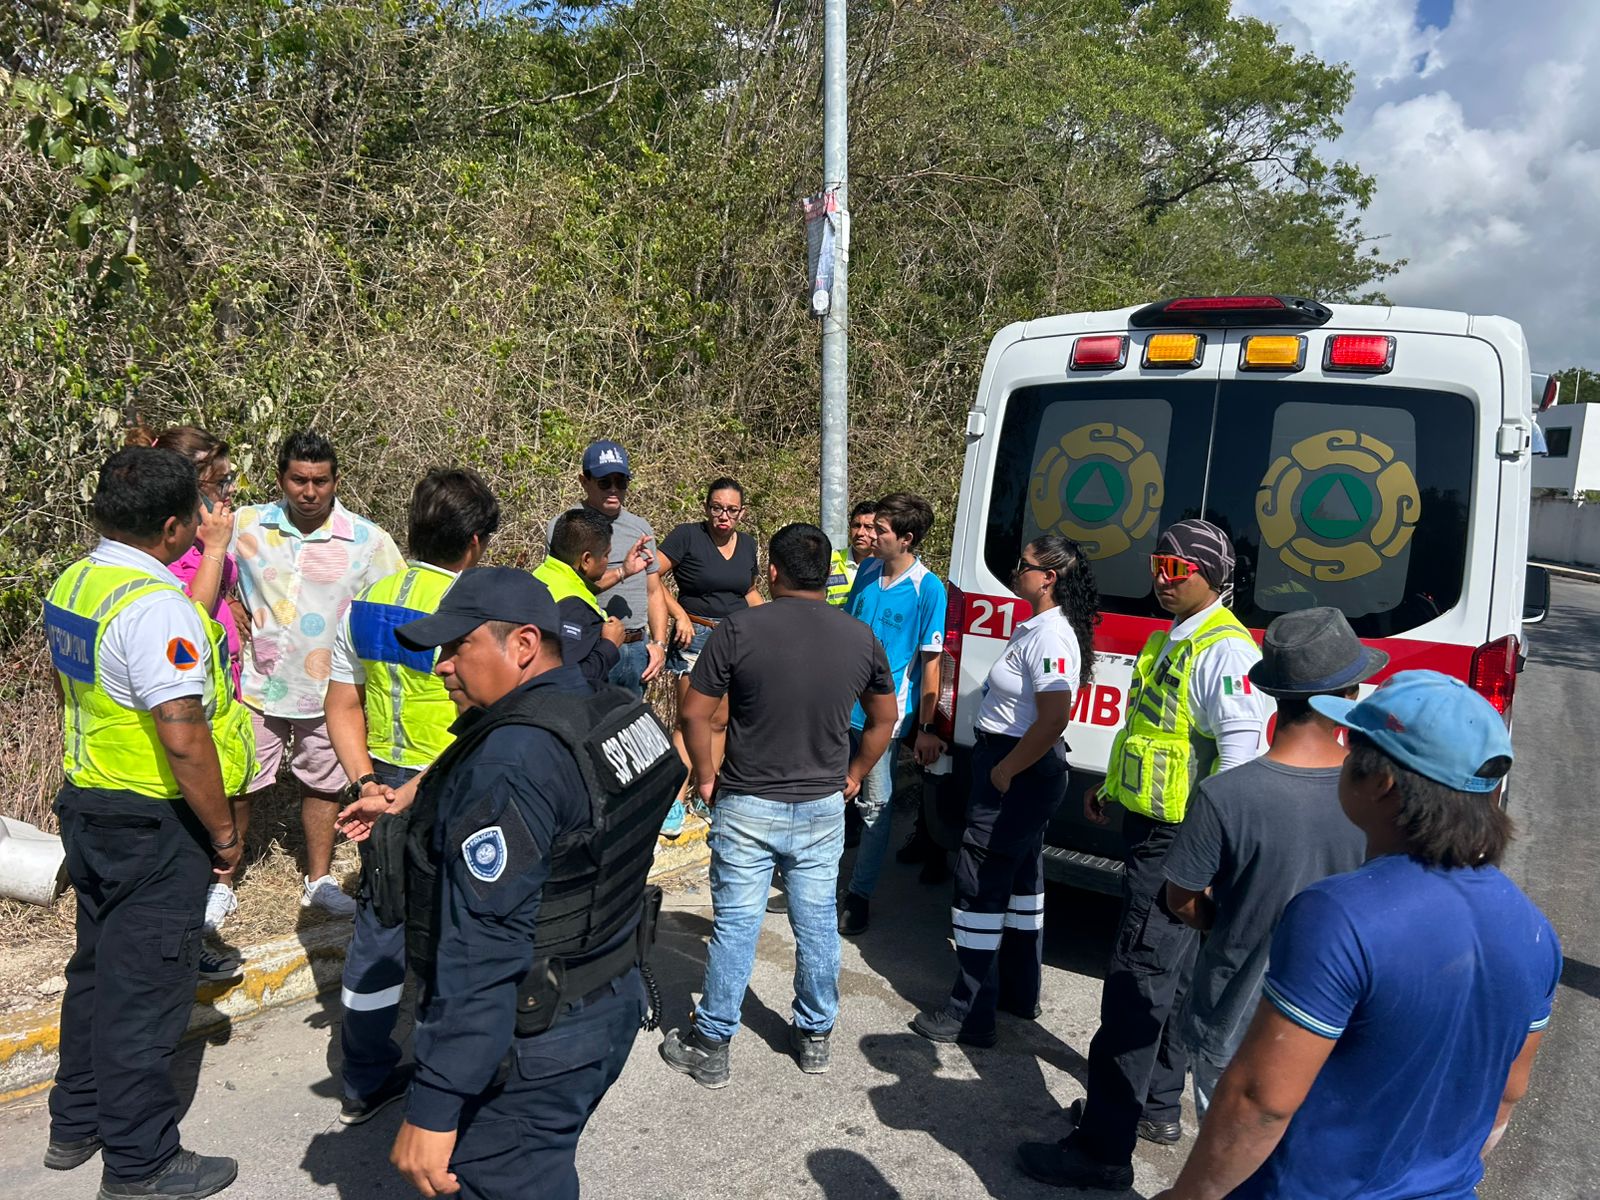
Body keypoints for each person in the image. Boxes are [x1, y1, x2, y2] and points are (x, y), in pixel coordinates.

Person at [1153, 672, 1562, 1200]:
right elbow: (1507, 1095)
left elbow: (1260, 1102)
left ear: (1382, 783)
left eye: (1352, 748)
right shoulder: (1534, 929)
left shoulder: (1336, 914)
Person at [382, 568, 682, 1200]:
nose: (440, 668)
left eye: (456, 647)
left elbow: (484, 944)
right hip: (610, 996)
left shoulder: (512, 761)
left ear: (521, 645)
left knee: (505, 1180)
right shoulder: (611, 709)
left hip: (538, 1030)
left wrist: (435, 1101)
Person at [1017, 517, 1272, 1191]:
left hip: (1180, 845)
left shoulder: (1226, 650)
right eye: (1157, 565)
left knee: (1137, 988)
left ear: (1211, 575)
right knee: (1170, 982)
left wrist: (1208, 856)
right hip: (1154, 827)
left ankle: (1102, 1149)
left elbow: (1240, 762)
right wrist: (1114, 786)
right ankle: (1155, 1108)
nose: (1161, 580)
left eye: (1175, 570)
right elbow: (1157, 731)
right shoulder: (1176, 639)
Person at [42, 447, 256, 1200]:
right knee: (147, 995)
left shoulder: (76, 582)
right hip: (152, 821)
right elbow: (182, 732)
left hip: (89, 803)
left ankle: (75, 1125)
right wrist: (224, 831)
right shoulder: (159, 606)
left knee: (96, 974)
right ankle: (142, 1164)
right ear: (173, 527)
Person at [658, 524, 897, 1088]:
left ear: (771, 573)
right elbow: (885, 717)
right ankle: (814, 1036)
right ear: (829, 574)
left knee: (737, 924)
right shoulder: (860, 636)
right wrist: (856, 773)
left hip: (746, 799)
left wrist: (707, 778)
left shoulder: (739, 629)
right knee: (815, 922)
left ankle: (712, 1045)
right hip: (820, 803)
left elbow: (694, 714)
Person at [323, 467, 500, 1126]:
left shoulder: (366, 602)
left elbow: (341, 703)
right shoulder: (477, 607)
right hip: (459, 781)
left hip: (385, 783)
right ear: (476, 541)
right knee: (461, 932)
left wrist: (368, 780)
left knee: (382, 924)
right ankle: (446, 1085)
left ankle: (363, 1077)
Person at [1161, 608, 1378, 1120]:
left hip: (1233, 1021)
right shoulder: (1377, 794)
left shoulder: (1222, 794)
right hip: (1335, 1026)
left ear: (1275, 696)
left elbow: (1181, 900)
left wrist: (1226, 925)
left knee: (1227, 1158)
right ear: (1347, 698)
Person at [912, 535, 1098, 1047]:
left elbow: (1054, 716)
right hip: (1018, 766)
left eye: (1024, 565)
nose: (1016, 571)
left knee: (979, 886)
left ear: (1049, 578)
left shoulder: (1051, 636)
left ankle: (968, 1013)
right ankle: (1019, 992)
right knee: (1020, 885)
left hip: (1017, 769)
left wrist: (1005, 770)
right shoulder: (1039, 628)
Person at [232, 430, 405, 916]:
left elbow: (392, 606)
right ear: (280, 478)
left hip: (328, 691)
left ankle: (319, 879)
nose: (310, 492)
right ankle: (222, 879)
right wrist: (226, 601)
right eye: (299, 480)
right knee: (239, 779)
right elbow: (201, 562)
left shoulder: (368, 541)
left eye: (321, 481)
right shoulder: (246, 525)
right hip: (256, 684)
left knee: (324, 784)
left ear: (336, 480)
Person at [128, 424, 252, 936]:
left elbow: (221, 594)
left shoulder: (204, 536)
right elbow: (191, 614)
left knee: (234, 770)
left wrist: (237, 602)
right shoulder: (167, 547)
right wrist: (218, 548)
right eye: (218, 483)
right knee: (199, 774)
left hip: (225, 677)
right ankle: (201, 883)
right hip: (187, 682)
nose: (227, 494)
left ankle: (219, 881)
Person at [838, 492, 948, 937]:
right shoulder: (865, 570)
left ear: (906, 539)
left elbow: (932, 663)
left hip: (883, 717)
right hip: (839, 706)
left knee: (874, 807)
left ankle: (859, 895)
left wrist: (924, 726)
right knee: (828, 794)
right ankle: (821, 878)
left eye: (880, 530)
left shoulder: (929, 588)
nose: (870, 535)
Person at [657, 477, 763, 833]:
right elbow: (650, 575)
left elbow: (749, 591)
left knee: (720, 721)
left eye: (731, 510)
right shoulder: (686, 536)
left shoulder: (747, 545)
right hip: (696, 635)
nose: (723, 516)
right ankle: (674, 799)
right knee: (689, 721)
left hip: (737, 637)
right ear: (706, 507)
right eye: (717, 507)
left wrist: (774, 625)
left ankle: (708, 791)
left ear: (742, 513)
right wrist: (679, 614)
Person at [545, 439, 669, 697]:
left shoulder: (641, 527)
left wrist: (658, 643)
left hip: (637, 650)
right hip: (592, 647)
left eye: (621, 482)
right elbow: (565, 587)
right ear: (584, 481)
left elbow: (654, 591)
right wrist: (622, 572)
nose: (614, 490)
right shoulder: (567, 527)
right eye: (604, 482)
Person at [535, 507, 642, 690]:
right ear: (586, 560)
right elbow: (568, 680)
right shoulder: (573, 607)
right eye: (606, 555)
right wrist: (609, 645)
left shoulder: (540, 576)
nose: (607, 560)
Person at [825, 500, 879, 605]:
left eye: (868, 527)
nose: (860, 533)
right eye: (856, 525)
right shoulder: (828, 560)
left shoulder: (887, 567)